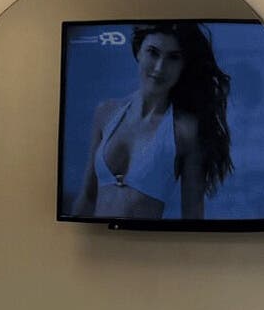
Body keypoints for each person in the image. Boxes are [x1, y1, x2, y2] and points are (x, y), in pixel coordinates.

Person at [72, 21, 234, 221]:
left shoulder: (184, 131)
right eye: (153, 52)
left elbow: (192, 214)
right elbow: (87, 197)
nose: (159, 67)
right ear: (138, 51)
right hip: (97, 244)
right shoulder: (106, 112)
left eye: (173, 58)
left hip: (145, 248)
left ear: (184, 66)